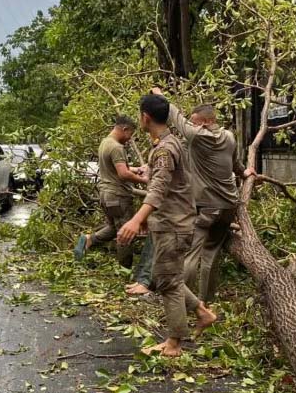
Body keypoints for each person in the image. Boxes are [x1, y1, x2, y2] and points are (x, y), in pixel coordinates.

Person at [117, 94, 216, 357]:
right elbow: (166, 185)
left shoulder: (164, 149)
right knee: (169, 277)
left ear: (145, 117)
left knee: (168, 283)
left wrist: (136, 219)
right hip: (170, 222)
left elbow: (158, 190)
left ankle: (174, 344)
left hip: (174, 225)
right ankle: (202, 313)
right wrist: (149, 219)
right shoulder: (170, 142)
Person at [152, 87, 255, 303]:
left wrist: (160, 96)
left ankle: (186, 303)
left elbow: (175, 117)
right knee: (211, 254)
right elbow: (235, 163)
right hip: (229, 205)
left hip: (207, 207)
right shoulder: (229, 136)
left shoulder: (197, 136)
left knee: (192, 254)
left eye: (195, 122)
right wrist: (245, 172)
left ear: (207, 122)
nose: (192, 125)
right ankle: (206, 301)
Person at [74, 115, 148, 266]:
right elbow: (123, 174)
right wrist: (145, 180)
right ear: (125, 129)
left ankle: (88, 239)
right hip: (118, 196)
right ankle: (124, 269)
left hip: (106, 195)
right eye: (130, 134)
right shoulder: (117, 147)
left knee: (113, 228)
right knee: (126, 234)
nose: (130, 138)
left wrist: (137, 169)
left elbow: (117, 167)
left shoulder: (105, 142)